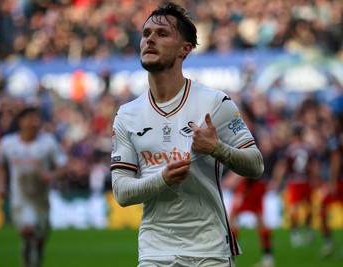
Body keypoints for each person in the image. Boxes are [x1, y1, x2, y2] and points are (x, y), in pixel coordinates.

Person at [110, 2, 264, 266]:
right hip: (155, 252)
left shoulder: (215, 103)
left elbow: (256, 165)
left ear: (185, 49)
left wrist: (218, 149)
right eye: (146, 34)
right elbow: (122, 192)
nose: (150, 40)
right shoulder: (127, 115)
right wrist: (163, 179)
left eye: (162, 34)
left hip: (210, 250)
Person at [0, 106, 68, 267]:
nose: (34, 122)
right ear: (20, 121)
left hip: (41, 200)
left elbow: (63, 165)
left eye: (37, 118)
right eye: (30, 118)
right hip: (20, 199)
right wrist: (0, 185)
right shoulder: (8, 143)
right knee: (28, 231)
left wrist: (51, 175)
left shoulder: (48, 143)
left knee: (40, 240)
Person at [225, 130, 278, 267]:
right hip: (256, 187)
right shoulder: (267, 155)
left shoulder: (258, 154)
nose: (267, 144)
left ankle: (229, 257)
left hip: (249, 188)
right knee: (259, 221)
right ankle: (268, 258)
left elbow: (245, 170)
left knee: (232, 220)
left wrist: (231, 181)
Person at [270, 123, 320, 248]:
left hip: (303, 181)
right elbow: (284, 166)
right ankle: (297, 232)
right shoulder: (294, 149)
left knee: (306, 208)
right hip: (296, 181)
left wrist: (277, 180)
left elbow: (312, 165)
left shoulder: (299, 148)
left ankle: (304, 231)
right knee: (296, 209)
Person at [319, 114, 343, 257]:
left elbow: (336, 158)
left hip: (339, 181)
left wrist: (332, 180)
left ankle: (328, 242)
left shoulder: (336, 137)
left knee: (322, 208)